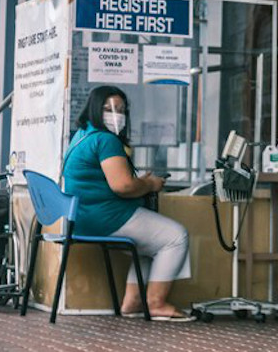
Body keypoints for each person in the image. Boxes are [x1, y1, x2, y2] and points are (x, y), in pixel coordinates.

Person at [63, 85, 192, 321]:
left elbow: (112, 180)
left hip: (82, 219)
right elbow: (122, 186)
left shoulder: (81, 136)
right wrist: (150, 184)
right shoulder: (105, 140)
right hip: (105, 217)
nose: (117, 114)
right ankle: (155, 302)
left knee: (151, 243)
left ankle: (132, 302)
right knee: (176, 236)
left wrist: (138, 182)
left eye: (121, 109)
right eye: (109, 108)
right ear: (94, 109)